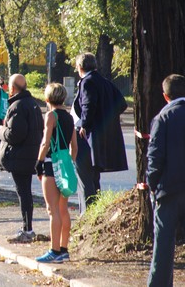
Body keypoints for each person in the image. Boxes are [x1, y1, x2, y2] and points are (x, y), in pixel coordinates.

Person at [72, 52, 128, 214]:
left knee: (86, 179)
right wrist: (106, 118)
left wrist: (85, 125)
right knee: (95, 178)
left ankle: (87, 212)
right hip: (103, 136)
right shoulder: (104, 82)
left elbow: (88, 106)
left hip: (89, 137)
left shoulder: (87, 82)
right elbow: (121, 104)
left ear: (80, 67)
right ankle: (95, 211)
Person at [146, 74, 185, 287]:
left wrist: (153, 184)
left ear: (165, 96)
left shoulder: (163, 118)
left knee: (163, 247)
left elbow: (155, 156)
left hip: (168, 189)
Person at [0, 73, 44, 243]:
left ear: (12, 88)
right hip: (31, 154)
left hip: (20, 156)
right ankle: (27, 228)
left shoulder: (17, 106)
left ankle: (27, 229)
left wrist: (0, 131)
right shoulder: (32, 104)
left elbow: (15, 134)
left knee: (23, 193)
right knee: (25, 192)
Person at [35, 83, 77, 263]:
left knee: (52, 210)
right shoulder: (69, 117)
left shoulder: (50, 115)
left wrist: (39, 162)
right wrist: (69, 163)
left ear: (47, 99)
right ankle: (64, 249)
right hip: (65, 165)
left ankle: (54, 250)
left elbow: (45, 142)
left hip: (51, 165)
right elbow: (74, 147)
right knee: (63, 209)